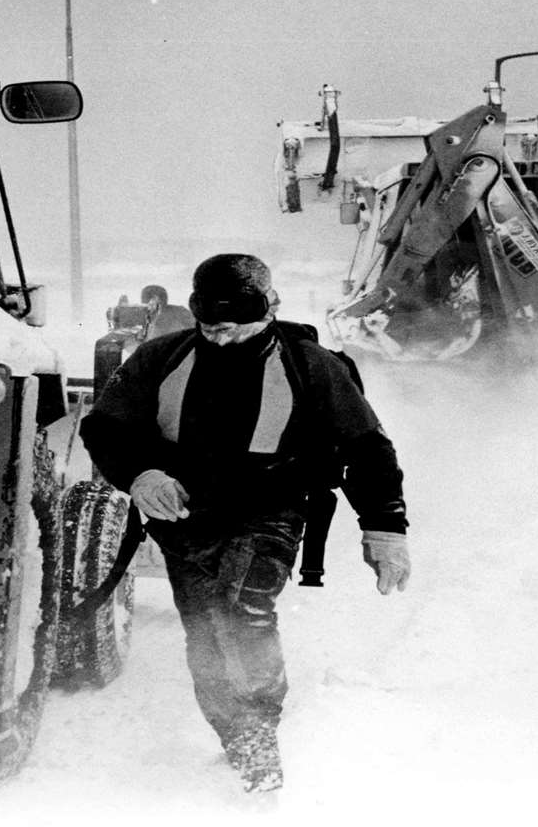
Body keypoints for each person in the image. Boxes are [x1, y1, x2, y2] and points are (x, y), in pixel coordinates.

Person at [80, 253, 409, 794]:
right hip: (182, 516)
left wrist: (385, 529)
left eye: (236, 327)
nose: (223, 339)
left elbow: (366, 447)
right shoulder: (162, 359)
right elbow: (107, 427)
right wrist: (141, 475)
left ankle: (259, 731)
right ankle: (233, 733)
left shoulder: (311, 366)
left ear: (269, 308)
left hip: (270, 510)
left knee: (245, 610)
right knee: (206, 628)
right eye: (210, 326)